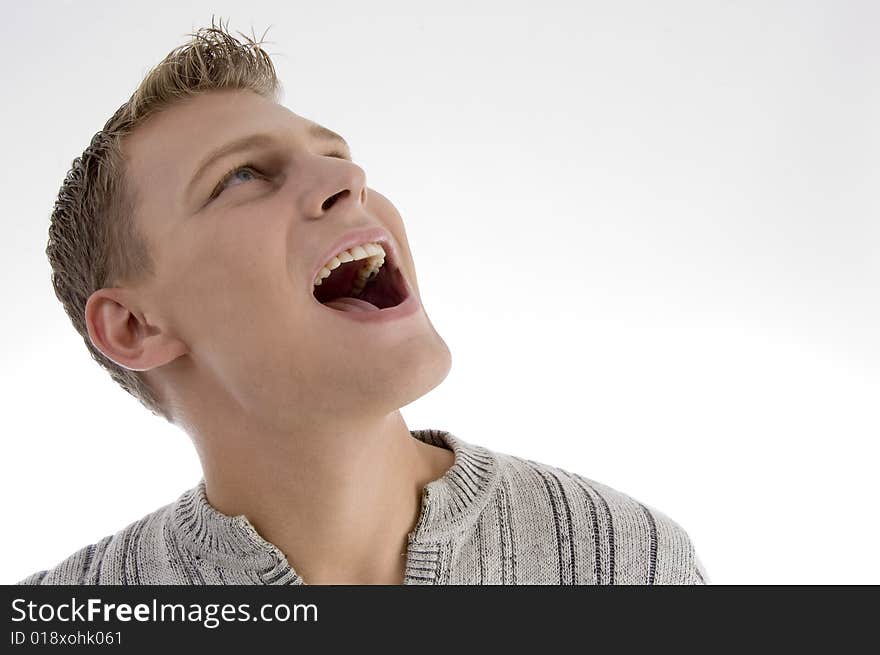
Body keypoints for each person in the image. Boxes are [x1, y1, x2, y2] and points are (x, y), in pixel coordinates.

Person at [17, 18, 709, 585]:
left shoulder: (622, 561)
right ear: (135, 326)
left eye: (335, 154)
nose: (347, 178)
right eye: (242, 175)